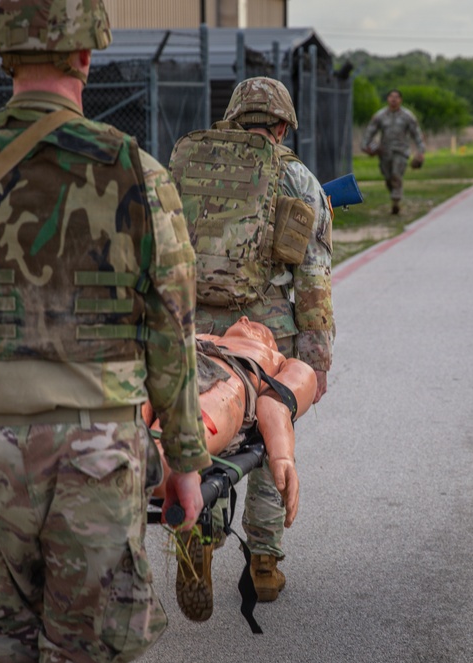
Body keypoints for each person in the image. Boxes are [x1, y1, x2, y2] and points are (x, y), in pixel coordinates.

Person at [0, 1, 210, 663]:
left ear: (3, 54)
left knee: (2, 640)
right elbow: (172, 328)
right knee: (86, 647)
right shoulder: (137, 170)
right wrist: (183, 460)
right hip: (98, 450)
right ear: (86, 55)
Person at [168, 76, 334, 603]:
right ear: (283, 126)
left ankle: (200, 530)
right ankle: (264, 560)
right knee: (267, 434)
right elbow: (313, 278)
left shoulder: (188, 169)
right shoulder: (297, 178)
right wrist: (316, 360)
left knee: (209, 427)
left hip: (196, 325)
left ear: (233, 119)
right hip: (266, 329)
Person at [146, 316, 317, 622]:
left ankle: (143, 467)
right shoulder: (208, 335)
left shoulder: (279, 362)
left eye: (263, 329)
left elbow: (275, 405)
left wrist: (282, 457)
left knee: (167, 451)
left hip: (226, 381)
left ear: (273, 346)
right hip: (170, 363)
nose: (245, 318)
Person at [361, 88, 426, 215]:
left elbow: (416, 134)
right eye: (391, 97)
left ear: (400, 100)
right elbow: (370, 131)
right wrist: (365, 146)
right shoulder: (380, 116)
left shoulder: (408, 116)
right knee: (388, 178)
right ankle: (394, 194)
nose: (394, 100)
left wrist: (421, 151)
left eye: (396, 97)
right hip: (384, 151)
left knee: (396, 174)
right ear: (387, 99)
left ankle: (396, 201)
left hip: (401, 151)